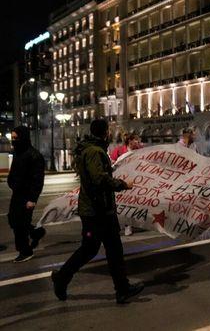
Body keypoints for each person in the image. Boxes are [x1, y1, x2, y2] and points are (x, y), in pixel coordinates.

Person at [51, 119, 144, 304]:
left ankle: (122, 289)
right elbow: (99, 179)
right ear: (104, 132)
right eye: (108, 130)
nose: (110, 133)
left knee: (112, 249)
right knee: (91, 249)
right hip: (97, 211)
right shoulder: (95, 151)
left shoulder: (93, 148)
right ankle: (62, 277)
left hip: (100, 209)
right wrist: (123, 184)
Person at [7, 126, 46, 262]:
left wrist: (32, 198)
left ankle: (25, 251)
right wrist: (11, 183)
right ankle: (37, 232)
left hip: (27, 195)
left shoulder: (34, 155)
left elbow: (38, 180)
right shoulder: (18, 153)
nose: (13, 141)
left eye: (16, 138)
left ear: (23, 137)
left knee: (21, 224)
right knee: (13, 219)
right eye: (12, 138)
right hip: (17, 192)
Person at [110, 132, 143, 236]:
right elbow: (112, 162)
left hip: (135, 180)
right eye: (136, 140)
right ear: (130, 141)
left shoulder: (140, 150)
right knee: (125, 203)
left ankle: (130, 223)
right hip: (123, 181)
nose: (138, 142)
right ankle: (127, 225)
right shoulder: (119, 150)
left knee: (134, 202)